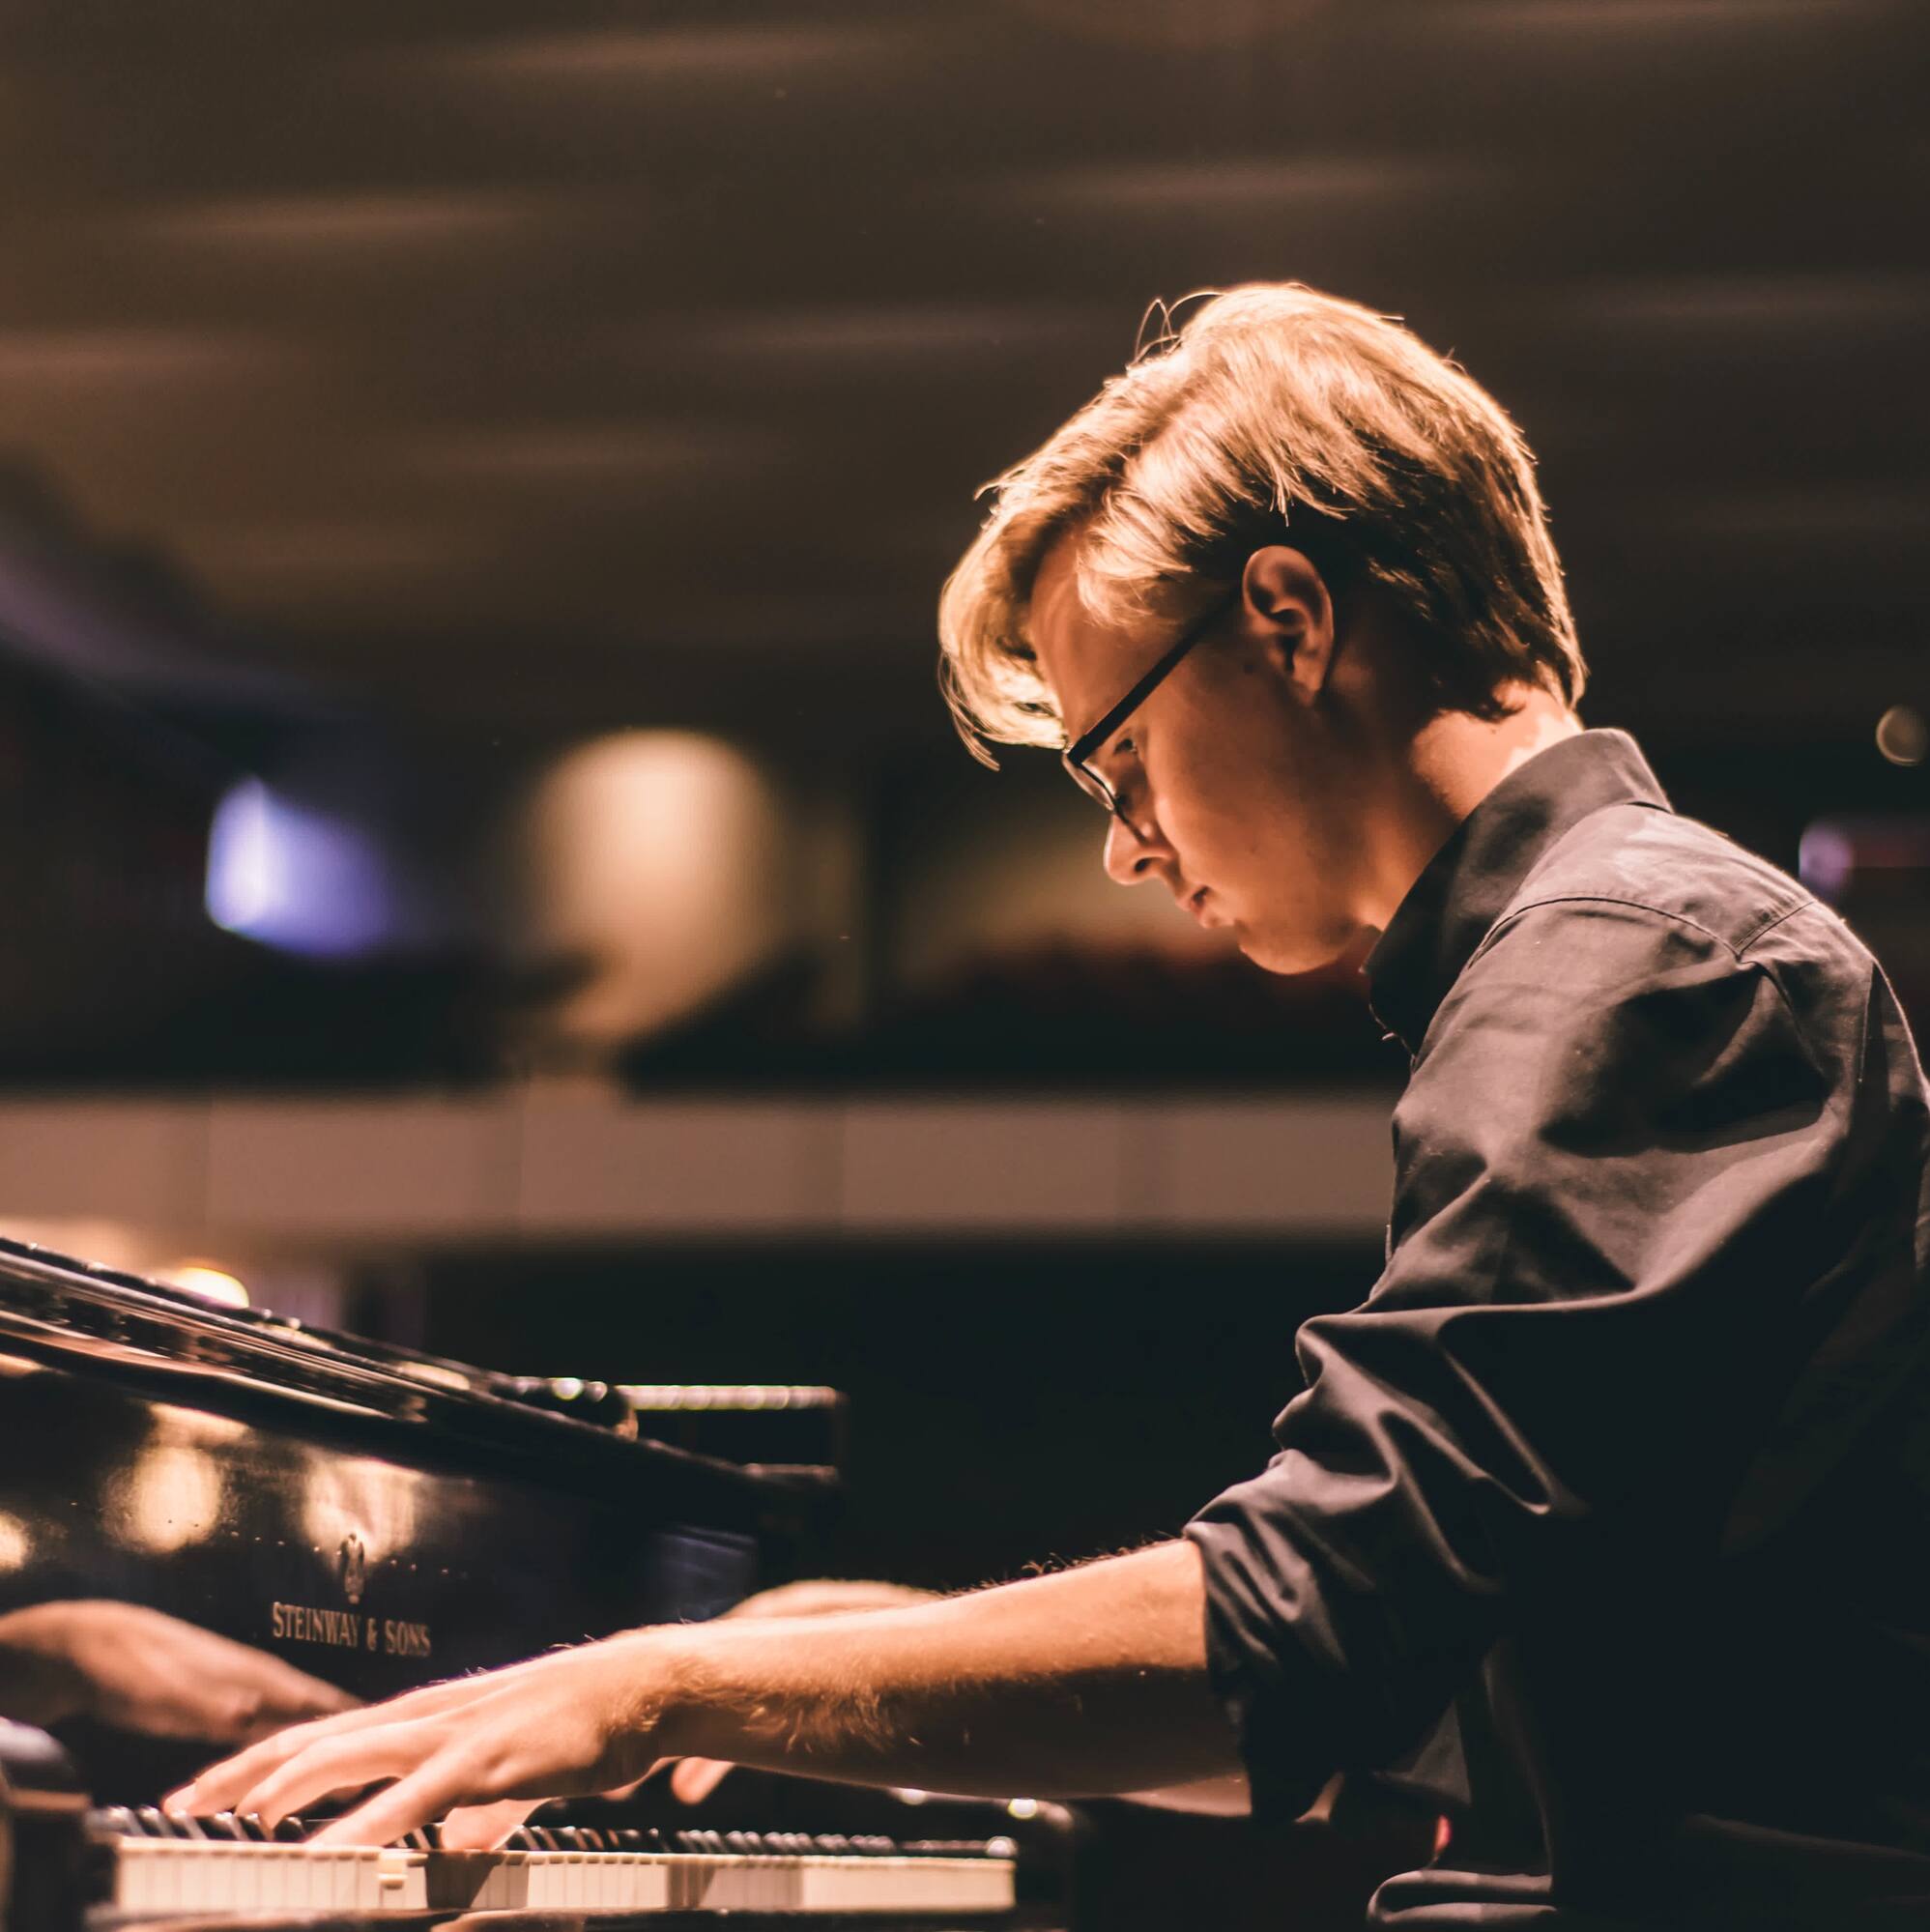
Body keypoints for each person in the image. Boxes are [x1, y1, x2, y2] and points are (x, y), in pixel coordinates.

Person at [170, 285, 1930, 1929]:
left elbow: (1310, 1634)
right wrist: (899, 1662)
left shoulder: (1637, 960)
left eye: (1116, 754)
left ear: (1290, 620)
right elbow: (1404, 1706)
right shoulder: (1601, 958)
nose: (1120, 839)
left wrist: (658, 1680)